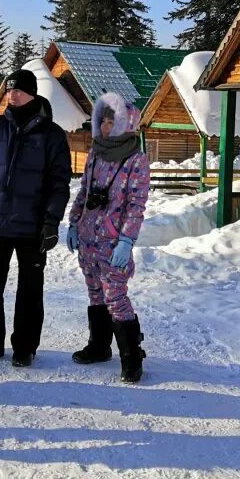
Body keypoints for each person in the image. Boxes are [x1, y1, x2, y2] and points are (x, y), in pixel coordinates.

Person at [0, 68, 71, 367]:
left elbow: (59, 183)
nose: (12, 94)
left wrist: (51, 222)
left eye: (19, 90)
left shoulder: (52, 134)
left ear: (33, 94)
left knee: (30, 291)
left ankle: (25, 347)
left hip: (33, 227)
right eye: (9, 90)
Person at [66, 92, 151, 383]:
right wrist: (74, 223)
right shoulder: (95, 153)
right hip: (89, 239)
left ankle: (131, 356)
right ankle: (99, 346)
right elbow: (84, 193)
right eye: (102, 121)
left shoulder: (136, 160)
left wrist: (127, 240)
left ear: (125, 124)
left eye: (111, 122)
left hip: (113, 243)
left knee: (115, 295)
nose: (104, 127)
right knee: (95, 292)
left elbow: (136, 205)